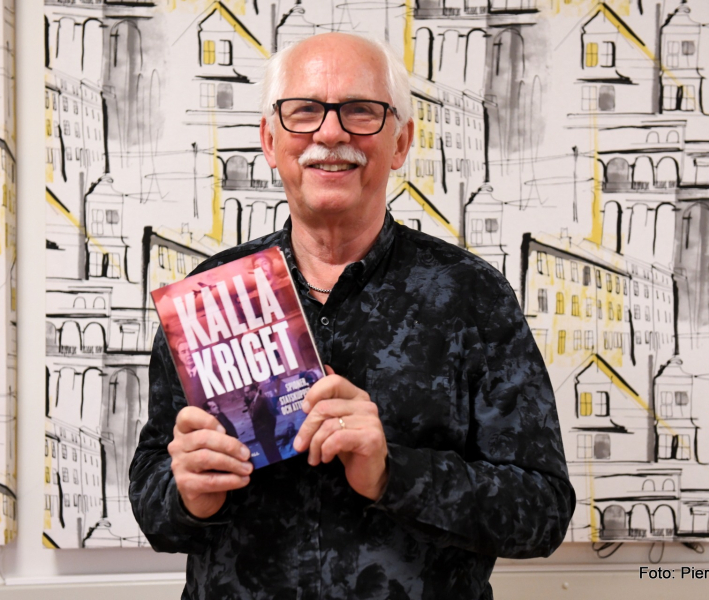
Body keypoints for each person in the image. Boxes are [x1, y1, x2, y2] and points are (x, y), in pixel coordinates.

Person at [130, 32, 575, 599]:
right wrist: (189, 495)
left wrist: (392, 473)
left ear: (400, 142)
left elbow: (542, 511)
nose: (330, 133)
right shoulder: (210, 298)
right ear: (270, 140)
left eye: (361, 110)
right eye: (304, 111)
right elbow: (152, 499)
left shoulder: (473, 295)